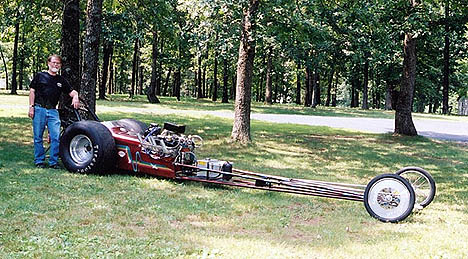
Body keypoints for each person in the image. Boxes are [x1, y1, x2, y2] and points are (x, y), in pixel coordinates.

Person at [28, 54, 80, 169]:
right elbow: (32, 91)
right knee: (38, 137)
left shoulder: (61, 80)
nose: (55, 65)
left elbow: (72, 92)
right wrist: (31, 107)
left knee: (56, 137)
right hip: (39, 109)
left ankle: (53, 162)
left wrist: (75, 97)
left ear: (60, 66)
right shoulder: (40, 76)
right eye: (54, 62)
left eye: (58, 63)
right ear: (48, 63)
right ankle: (39, 161)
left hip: (53, 111)